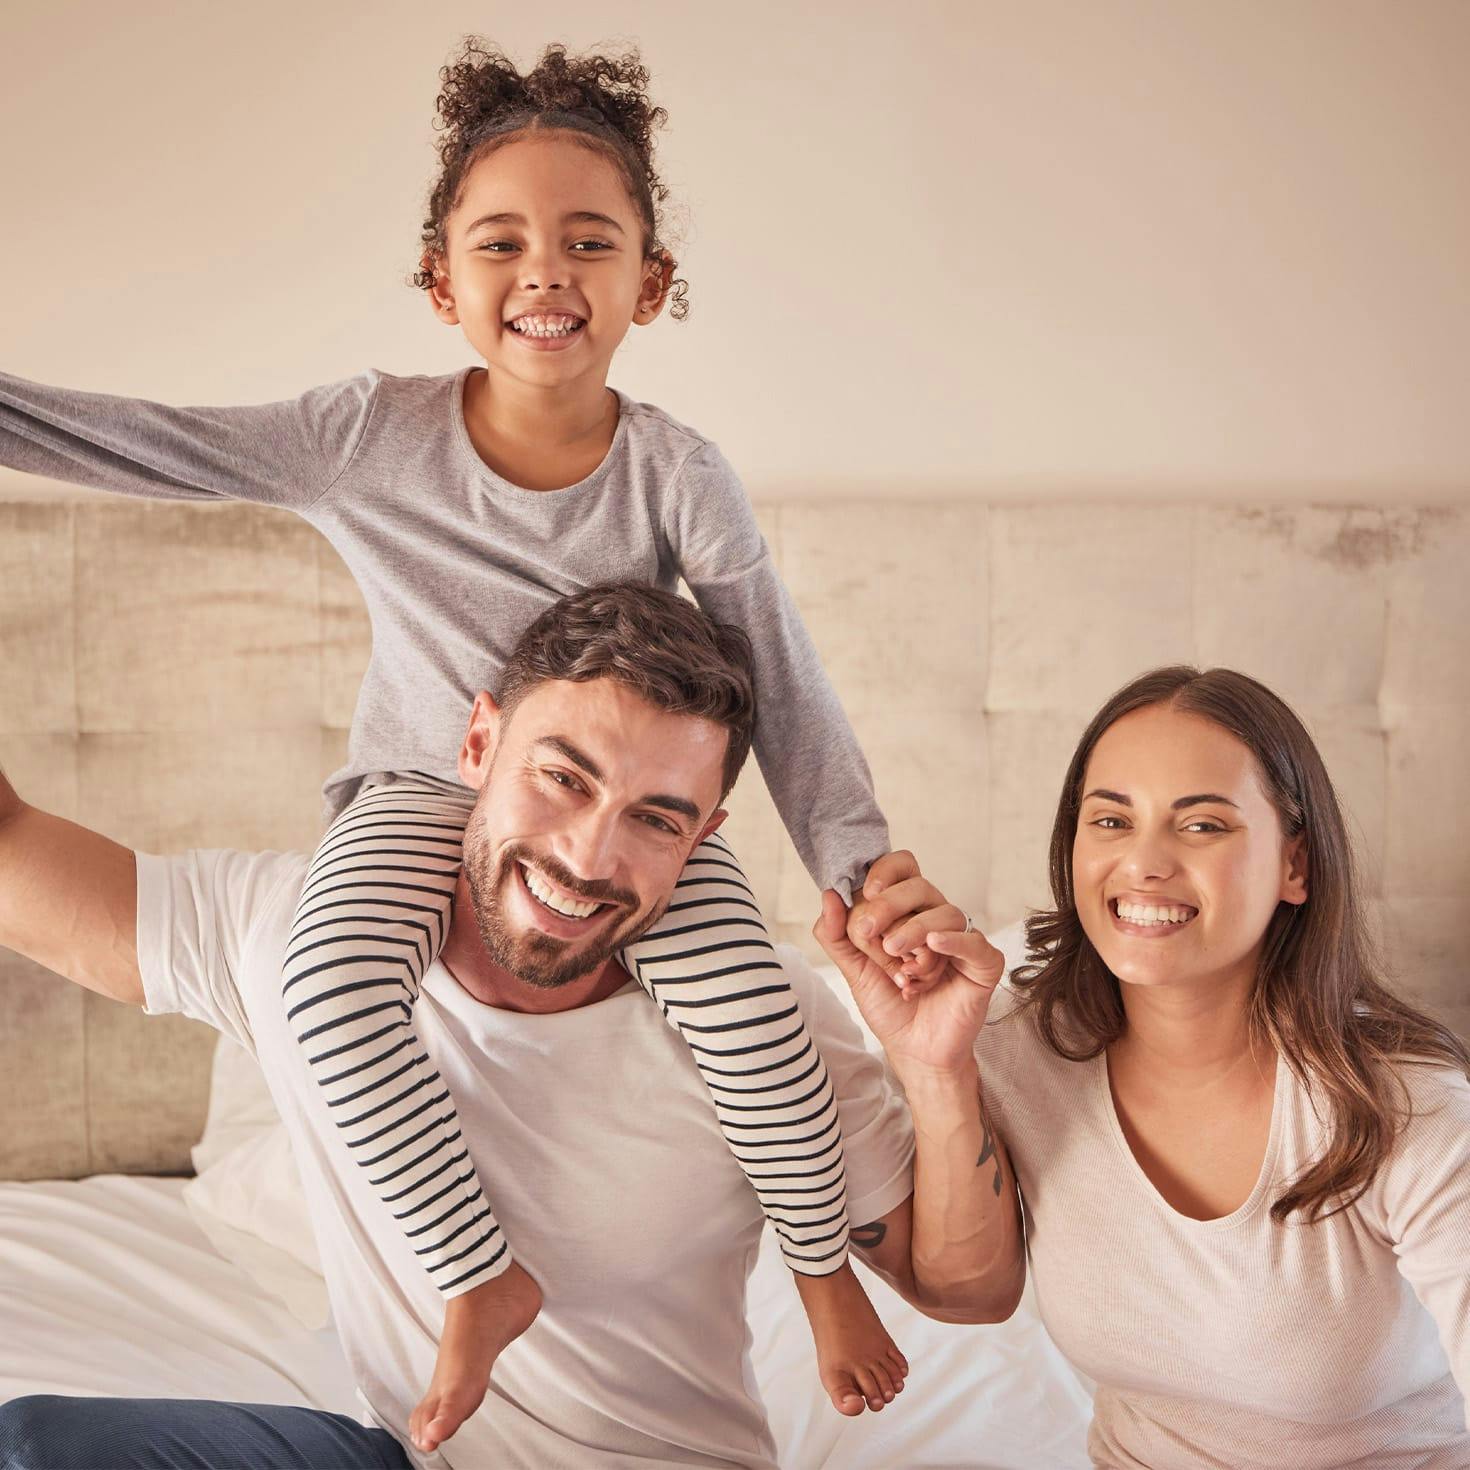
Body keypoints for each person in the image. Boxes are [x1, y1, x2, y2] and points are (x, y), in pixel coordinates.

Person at [0, 39, 916, 1450]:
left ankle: (819, 1272)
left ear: (648, 286)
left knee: (760, 1012)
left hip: (612, 805)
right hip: (427, 792)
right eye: (502, 242)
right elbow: (152, 443)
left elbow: (772, 675)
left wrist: (857, 863)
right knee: (322, 978)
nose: (545, 271)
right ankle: (477, 1275)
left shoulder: (679, 469)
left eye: (588, 242)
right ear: (443, 281)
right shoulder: (367, 433)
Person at [0, 584, 1012, 1470]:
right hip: (405, 1455)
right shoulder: (301, 936)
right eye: (562, 778)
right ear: (478, 743)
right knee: (35, 1444)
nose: (587, 854)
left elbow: (970, 1290)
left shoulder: (761, 1025)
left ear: (703, 838)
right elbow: (15, 854)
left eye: (654, 818)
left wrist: (936, 1067)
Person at [853, 665, 1470, 1468]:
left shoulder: (1403, 1107)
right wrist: (937, 1073)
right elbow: (969, 1295)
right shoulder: (1015, 1048)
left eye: (1203, 826)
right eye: (1110, 820)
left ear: (1297, 867)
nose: (1143, 863)